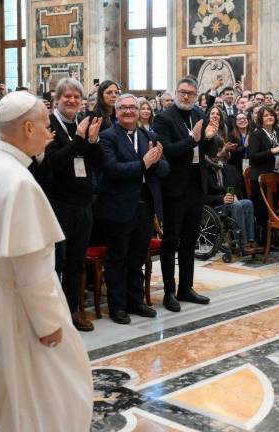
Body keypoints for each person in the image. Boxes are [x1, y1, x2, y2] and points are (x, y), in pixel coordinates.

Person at [0, 91, 93, 431]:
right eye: (45, 125)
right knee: (40, 386)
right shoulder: (18, 181)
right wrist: (49, 324)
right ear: (28, 128)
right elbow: (31, 266)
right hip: (12, 299)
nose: (49, 133)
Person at [29, 78, 103, 332]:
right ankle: (53, 313)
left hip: (83, 203)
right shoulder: (48, 127)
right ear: (56, 99)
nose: (72, 101)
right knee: (55, 263)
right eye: (67, 96)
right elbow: (51, 166)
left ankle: (73, 308)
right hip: (57, 204)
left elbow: (96, 161)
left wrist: (92, 141)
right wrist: (80, 140)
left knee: (76, 261)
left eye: (76, 97)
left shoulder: (82, 125)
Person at [95, 94, 169, 324]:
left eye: (132, 108)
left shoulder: (149, 135)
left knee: (138, 257)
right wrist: (143, 164)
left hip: (145, 206)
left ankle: (135, 301)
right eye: (124, 108)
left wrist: (155, 162)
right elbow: (112, 169)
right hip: (117, 206)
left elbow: (165, 169)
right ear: (116, 112)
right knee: (118, 259)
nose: (128, 111)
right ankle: (118, 306)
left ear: (138, 112)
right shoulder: (107, 138)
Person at [154, 76, 216, 313]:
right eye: (182, 92)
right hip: (174, 188)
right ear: (176, 92)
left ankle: (186, 288)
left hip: (196, 186)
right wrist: (192, 140)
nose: (186, 96)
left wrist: (210, 138)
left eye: (190, 93)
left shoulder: (199, 114)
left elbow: (207, 149)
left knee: (191, 240)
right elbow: (166, 151)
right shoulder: (163, 118)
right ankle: (169, 291)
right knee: (171, 241)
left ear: (195, 94)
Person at [249, 106, 279, 244]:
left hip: (277, 176)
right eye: (266, 115)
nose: (270, 117)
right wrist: (272, 151)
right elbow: (254, 156)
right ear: (260, 119)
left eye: (271, 115)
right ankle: (263, 242)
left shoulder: (278, 133)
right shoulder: (257, 134)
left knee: (278, 207)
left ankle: (276, 240)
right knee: (263, 211)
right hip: (261, 179)